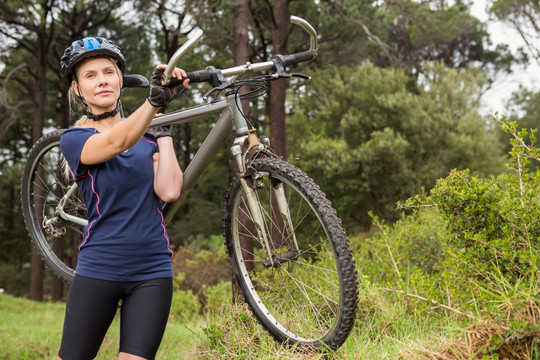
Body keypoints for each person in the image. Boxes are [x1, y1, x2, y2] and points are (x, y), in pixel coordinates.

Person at [57, 36, 189, 360]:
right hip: (100, 266)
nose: (102, 80)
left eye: (108, 72)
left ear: (120, 80)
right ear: (78, 89)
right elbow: (116, 142)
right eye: (90, 75)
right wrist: (153, 103)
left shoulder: (146, 139)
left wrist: (164, 130)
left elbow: (170, 191)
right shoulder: (75, 139)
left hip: (153, 269)